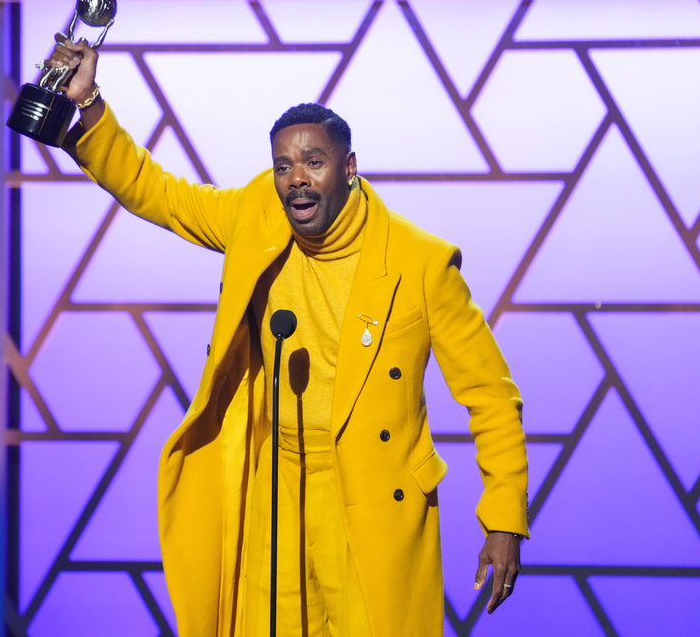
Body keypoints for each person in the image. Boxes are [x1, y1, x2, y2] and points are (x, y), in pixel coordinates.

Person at [46, 37, 529, 636]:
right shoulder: (258, 217)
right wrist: (87, 101)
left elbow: (490, 394)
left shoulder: (420, 262)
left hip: (371, 494)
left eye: (314, 163)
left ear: (349, 167)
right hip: (271, 483)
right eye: (283, 166)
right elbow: (159, 193)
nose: (296, 180)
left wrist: (503, 516)